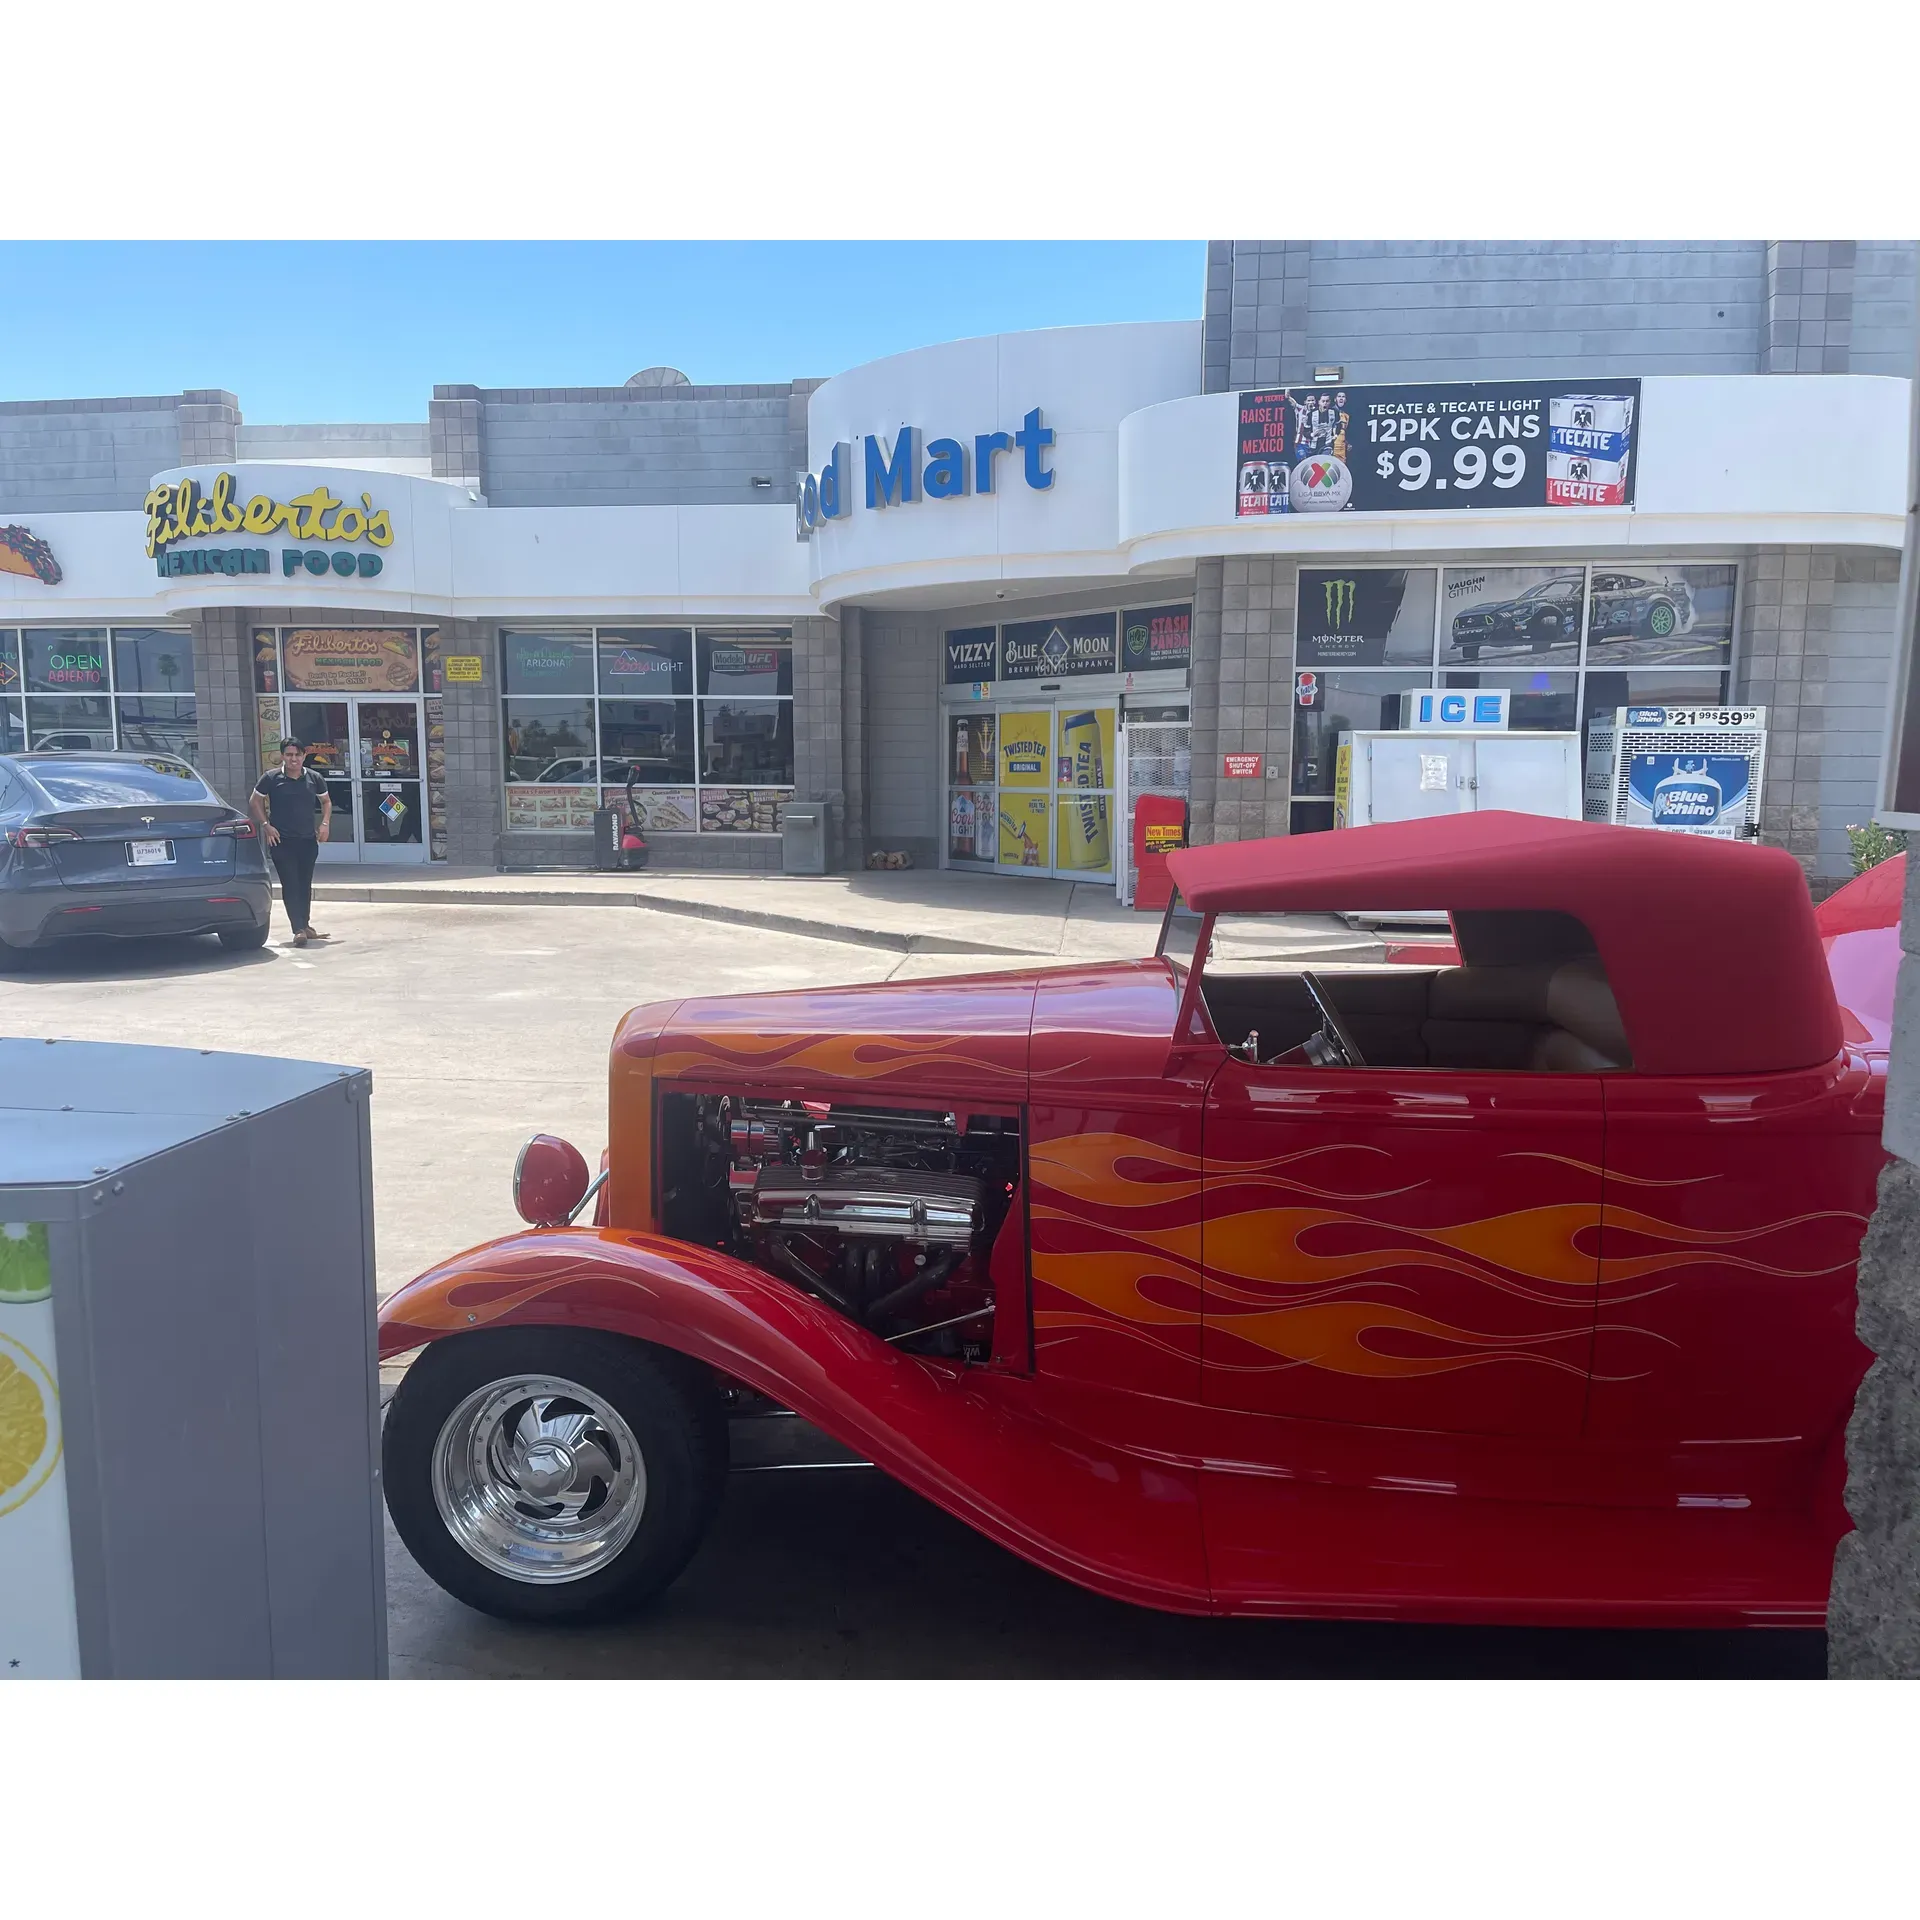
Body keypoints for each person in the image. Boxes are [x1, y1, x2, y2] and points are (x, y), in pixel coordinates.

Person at [251, 739, 332, 948]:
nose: (293, 759)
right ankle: (297, 929)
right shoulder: (271, 778)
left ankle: (305, 925)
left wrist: (324, 824)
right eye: (289, 755)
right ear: (283, 756)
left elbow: (326, 801)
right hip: (281, 841)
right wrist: (266, 825)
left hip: (307, 840)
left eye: (297, 755)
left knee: (305, 884)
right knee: (291, 884)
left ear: (304, 756)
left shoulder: (314, 778)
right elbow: (255, 801)